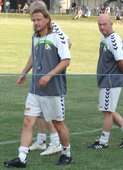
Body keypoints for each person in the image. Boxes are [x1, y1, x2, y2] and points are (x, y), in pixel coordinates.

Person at [4, 7, 72, 168]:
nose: (36, 23)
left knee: (57, 124)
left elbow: (66, 60)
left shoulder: (57, 37)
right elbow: (33, 57)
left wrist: (49, 75)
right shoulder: (35, 38)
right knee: (28, 121)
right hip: (35, 90)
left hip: (53, 91)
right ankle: (21, 158)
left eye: (39, 20)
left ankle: (66, 153)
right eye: (33, 20)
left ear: (47, 19)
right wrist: (24, 72)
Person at [26, 1, 72, 157]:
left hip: (52, 84)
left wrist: (53, 60)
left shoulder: (54, 28)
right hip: (37, 81)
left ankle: (55, 143)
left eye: (35, 15)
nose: (33, 20)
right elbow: (34, 53)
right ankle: (40, 140)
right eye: (33, 18)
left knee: (53, 118)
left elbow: (67, 44)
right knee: (37, 114)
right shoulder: (36, 33)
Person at [87, 14, 123, 149]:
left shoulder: (113, 39)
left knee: (107, 111)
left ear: (111, 24)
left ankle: (104, 141)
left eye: (105, 24)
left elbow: (122, 61)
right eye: (99, 24)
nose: (102, 27)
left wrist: (121, 73)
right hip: (106, 80)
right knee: (108, 109)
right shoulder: (104, 37)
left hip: (111, 81)